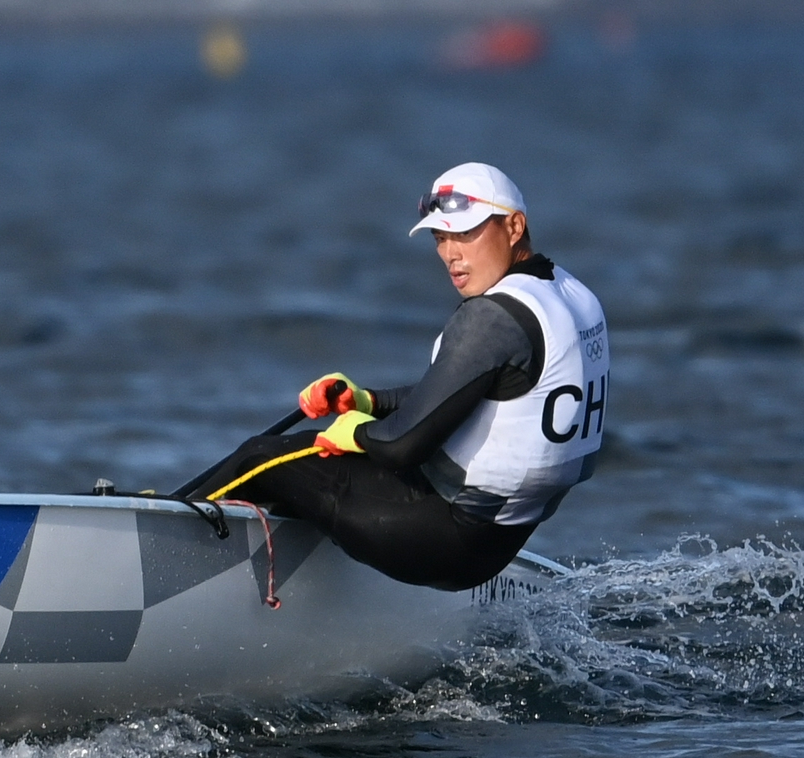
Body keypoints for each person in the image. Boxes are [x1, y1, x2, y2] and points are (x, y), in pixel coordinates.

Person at [186, 163, 608, 590]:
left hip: (448, 538)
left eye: (464, 234)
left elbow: (402, 446)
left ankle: (165, 535)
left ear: (515, 226)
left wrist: (359, 433)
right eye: (440, 238)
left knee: (262, 456)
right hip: (497, 542)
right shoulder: (573, 297)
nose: (450, 254)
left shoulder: (492, 318)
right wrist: (367, 402)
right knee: (305, 472)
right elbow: (474, 399)